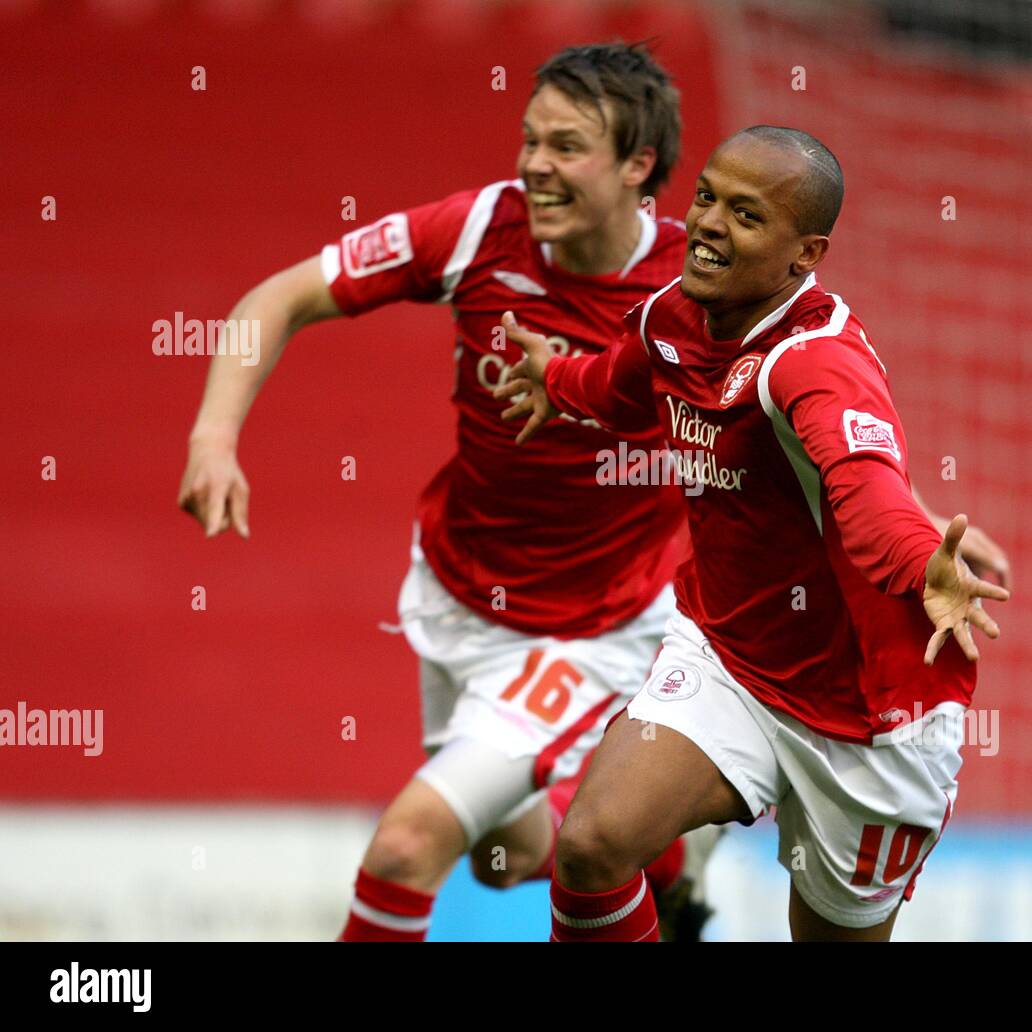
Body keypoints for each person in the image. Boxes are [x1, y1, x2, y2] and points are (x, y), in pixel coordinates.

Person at [177, 42, 699, 941]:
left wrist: (911, 529)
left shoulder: (700, 289)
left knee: (405, 847)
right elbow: (281, 296)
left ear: (637, 165)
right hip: (458, 595)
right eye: (529, 139)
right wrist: (213, 436)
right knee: (506, 864)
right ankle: (652, 851)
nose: (534, 164)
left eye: (567, 146)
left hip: (597, 628)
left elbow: (807, 420)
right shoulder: (474, 230)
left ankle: (630, 834)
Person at [495, 125, 1011, 941]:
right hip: (730, 657)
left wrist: (924, 564)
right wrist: (553, 380)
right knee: (592, 845)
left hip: (871, 717)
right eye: (705, 196)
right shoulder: (673, 317)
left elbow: (867, 496)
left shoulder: (815, 364)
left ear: (805, 253)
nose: (706, 223)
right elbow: (619, 385)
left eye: (744, 214)